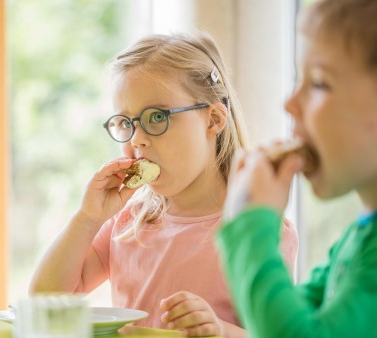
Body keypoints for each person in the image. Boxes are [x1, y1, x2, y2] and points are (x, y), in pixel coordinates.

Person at [30, 32, 298, 337]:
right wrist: (87, 218)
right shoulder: (129, 222)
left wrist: (221, 331)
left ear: (213, 120)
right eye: (125, 123)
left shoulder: (258, 232)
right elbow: (45, 302)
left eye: (156, 117)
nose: (136, 139)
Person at [217, 0, 377, 337]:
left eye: (319, 83)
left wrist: (250, 226)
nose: (289, 103)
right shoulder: (359, 237)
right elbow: (297, 314)